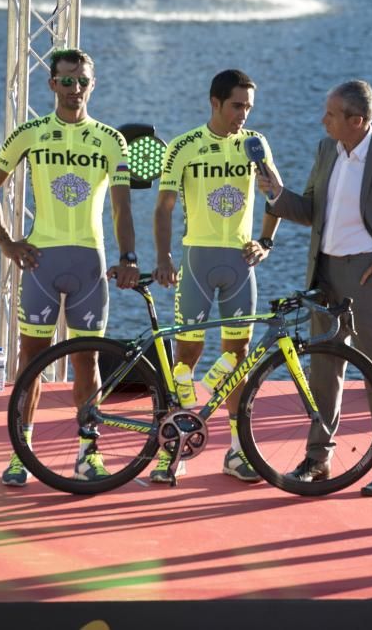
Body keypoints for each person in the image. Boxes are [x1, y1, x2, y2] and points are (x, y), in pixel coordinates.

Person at [257, 79, 372, 496]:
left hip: (367, 279)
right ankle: (318, 459)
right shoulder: (327, 149)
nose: (322, 120)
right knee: (323, 371)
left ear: (356, 120)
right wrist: (275, 194)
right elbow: (310, 211)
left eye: (330, 114)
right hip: (324, 275)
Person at [0, 48, 139, 486]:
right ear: (51, 85)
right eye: (66, 81)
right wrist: (8, 244)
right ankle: (20, 452)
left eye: (82, 81)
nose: (75, 89)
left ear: (93, 83)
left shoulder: (111, 140)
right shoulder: (29, 133)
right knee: (30, 361)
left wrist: (128, 258)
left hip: (89, 261)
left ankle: (89, 452)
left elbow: (122, 209)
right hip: (41, 262)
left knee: (87, 361)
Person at [152, 69, 281, 483]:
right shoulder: (184, 146)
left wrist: (265, 242)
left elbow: (276, 196)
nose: (243, 114)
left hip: (240, 263)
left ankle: (238, 450)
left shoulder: (254, 144)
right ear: (215, 103)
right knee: (184, 360)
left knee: (236, 359)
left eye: (248, 107)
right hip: (196, 261)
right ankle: (174, 446)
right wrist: (164, 258)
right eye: (236, 106)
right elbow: (164, 207)